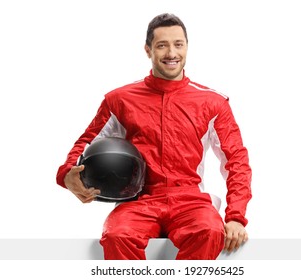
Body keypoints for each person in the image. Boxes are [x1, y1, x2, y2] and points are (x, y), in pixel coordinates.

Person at [56, 13, 252, 260]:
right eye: (162, 45)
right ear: (148, 50)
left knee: (210, 232)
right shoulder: (120, 100)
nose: (172, 53)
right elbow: (86, 143)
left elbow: (236, 161)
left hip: (190, 200)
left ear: (187, 47)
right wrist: (66, 175)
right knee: (117, 236)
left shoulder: (212, 102)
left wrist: (235, 216)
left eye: (178, 44)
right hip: (138, 200)